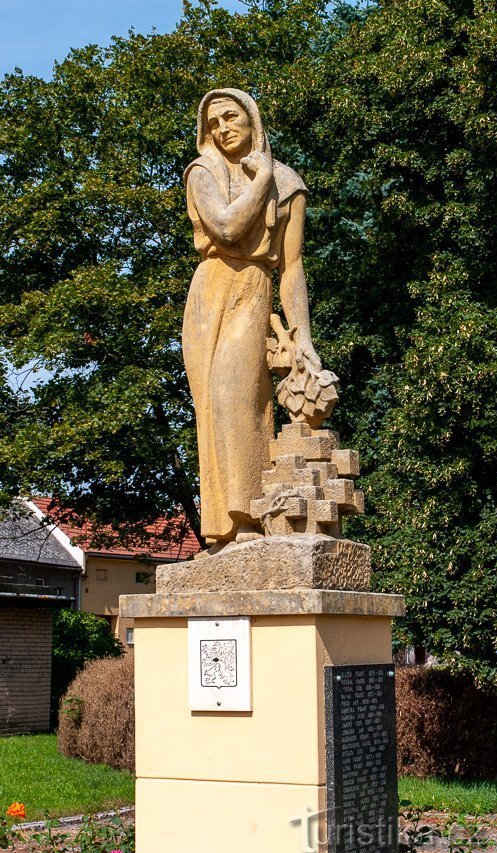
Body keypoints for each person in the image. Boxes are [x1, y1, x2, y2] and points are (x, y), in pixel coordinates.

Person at [183, 88, 322, 552]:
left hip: (254, 288)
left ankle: (250, 517)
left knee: (234, 397)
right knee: (210, 409)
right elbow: (224, 228)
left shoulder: (288, 182)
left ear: (252, 119)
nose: (223, 128)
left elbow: (293, 267)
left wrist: (302, 338)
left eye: (231, 117)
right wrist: (260, 181)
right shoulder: (204, 171)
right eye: (214, 122)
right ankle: (223, 531)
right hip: (210, 290)